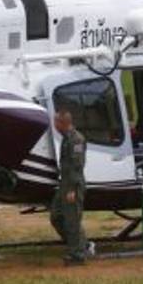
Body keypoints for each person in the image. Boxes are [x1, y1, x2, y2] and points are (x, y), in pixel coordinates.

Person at [50, 108, 92, 265]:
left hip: (73, 184)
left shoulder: (76, 140)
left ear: (63, 123)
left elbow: (77, 165)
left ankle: (77, 254)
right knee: (56, 216)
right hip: (64, 183)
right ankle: (82, 244)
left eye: (56, 122)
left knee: (72, 220)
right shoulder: (66, 138)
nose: (54, 125)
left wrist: (72, 189)